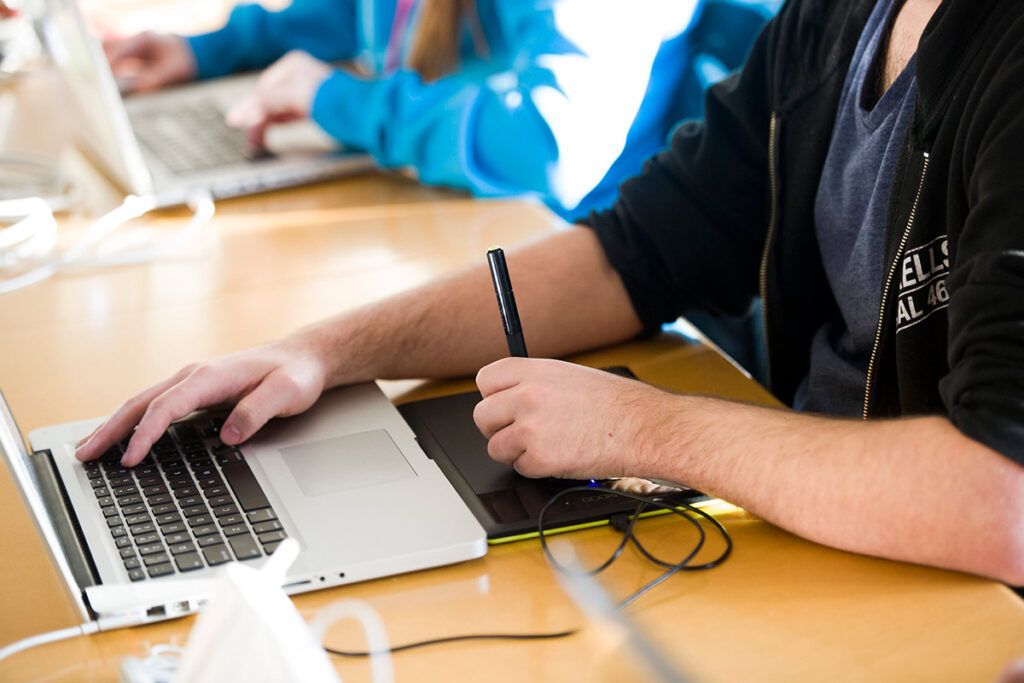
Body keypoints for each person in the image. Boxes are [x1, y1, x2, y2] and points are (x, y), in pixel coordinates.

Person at [78, 0, 1024, 585]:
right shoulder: (839, 18)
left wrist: (647, 429)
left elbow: (1002, 496)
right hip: (819, 541)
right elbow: (633, 252)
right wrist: (320, 350)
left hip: (944, 589)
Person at [102, 0, 778, 219]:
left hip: (569, 261)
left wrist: (342, 101)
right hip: (450, 218)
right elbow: (373, 16)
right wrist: (211, 50)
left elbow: (547, 145)